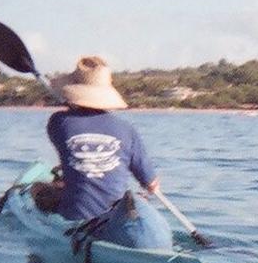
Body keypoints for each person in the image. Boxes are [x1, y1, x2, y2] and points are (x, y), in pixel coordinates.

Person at [38, 55, 172, 250]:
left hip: (76, 220)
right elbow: (151, 184)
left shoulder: (58, 122)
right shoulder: (127, 130)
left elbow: (66, 139)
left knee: (40, 191)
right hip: (113, 221)